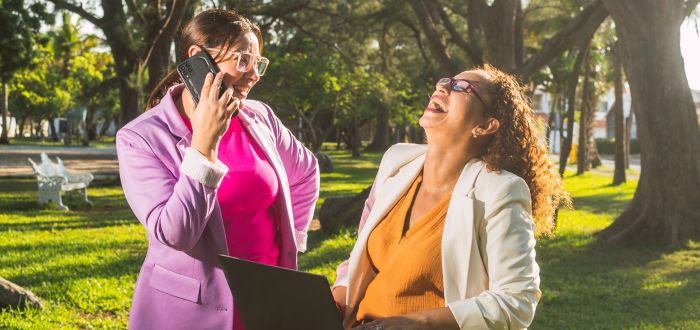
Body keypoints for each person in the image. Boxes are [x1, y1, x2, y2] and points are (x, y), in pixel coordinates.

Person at [116, 9, 319, 329]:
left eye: (258, 62)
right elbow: (176, 234)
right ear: (198, 59)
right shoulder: (141, 138)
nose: (254, 74)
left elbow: (306, 172)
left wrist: (294, 239)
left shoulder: (261, 117)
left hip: (267, 300)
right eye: (242, 59)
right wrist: (205, 145)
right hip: (192, 310)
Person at [332, 65, 569, 329]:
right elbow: (358, 257)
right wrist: (337, 300)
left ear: (485, 125)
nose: (442, 87)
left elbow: (517, 301)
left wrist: (417, 323)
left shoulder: (500, 191)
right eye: (446, 81)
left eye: (461, 87)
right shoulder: (395, 161)